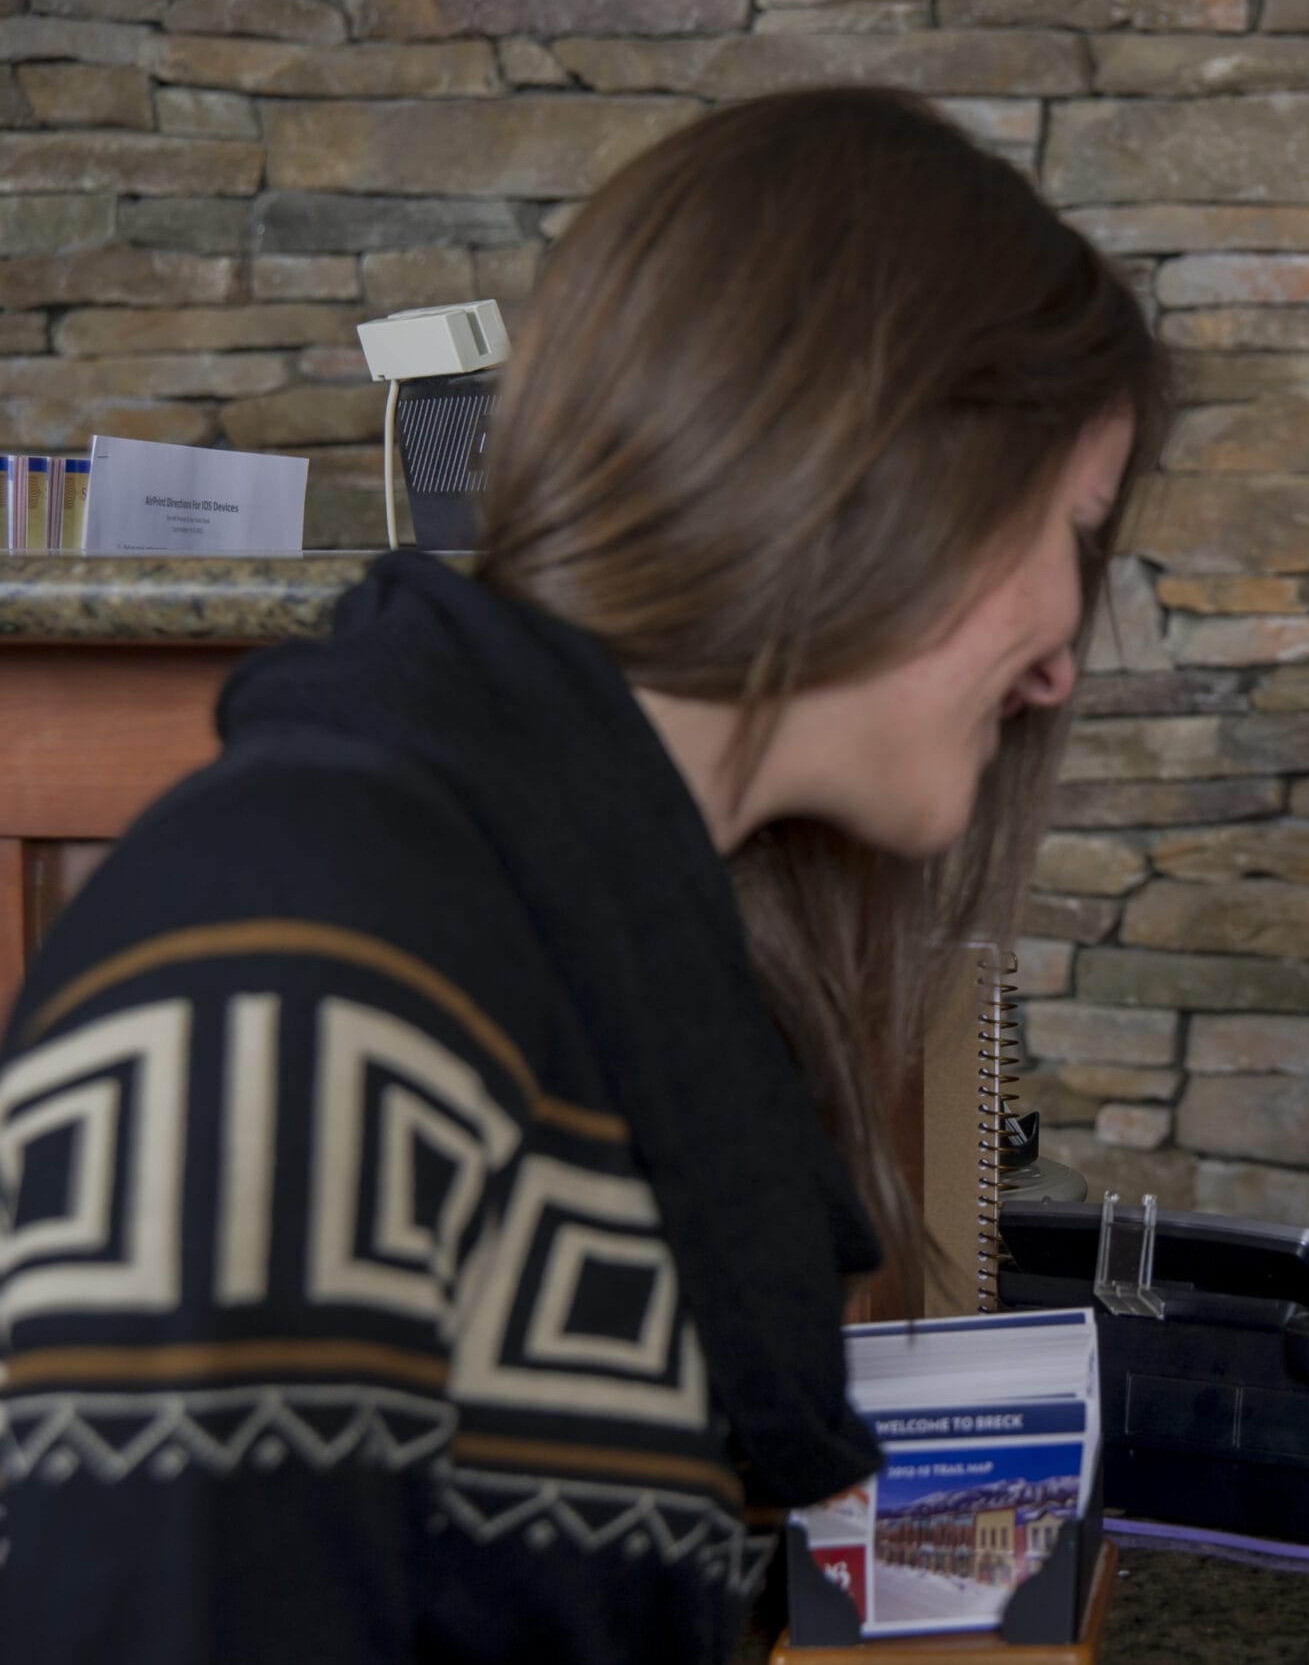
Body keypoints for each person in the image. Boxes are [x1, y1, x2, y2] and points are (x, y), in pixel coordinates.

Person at [0, 88, 1164, 1663]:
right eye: (1074, 537)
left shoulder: (614, 959)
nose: (1061, 670)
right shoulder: (300, 970)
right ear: (876, 474)